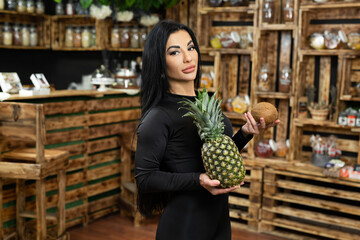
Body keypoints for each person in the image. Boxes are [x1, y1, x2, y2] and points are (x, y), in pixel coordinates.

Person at [135, 20, 279, 240]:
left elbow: (210, 156)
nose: (188, 57)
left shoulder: (204, 103)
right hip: (184, 226)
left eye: (191, 47)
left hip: (219, 221)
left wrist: (245, 134)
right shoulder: (158, 116)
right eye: (175, 52)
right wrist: (198, 180)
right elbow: (145, 179)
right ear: (160, 63)